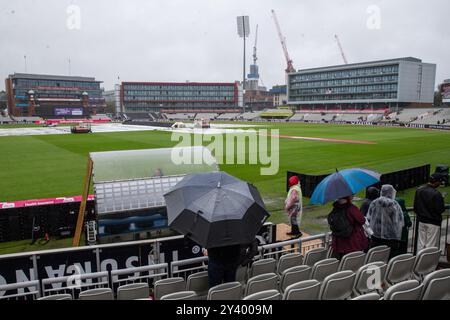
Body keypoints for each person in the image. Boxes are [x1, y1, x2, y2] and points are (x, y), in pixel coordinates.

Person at [367, 185, 404, 258]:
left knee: (375, 258)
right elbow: (399, 221)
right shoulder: (395, 204)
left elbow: (369, 217)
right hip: (391, 238)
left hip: (375, 237)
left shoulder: (374, 202)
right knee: (389, 259)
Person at [413, 174, 446, 252]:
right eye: (439, 182)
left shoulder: (419, 190)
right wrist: (441, 199)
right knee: (430, 246)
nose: (440, 184)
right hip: (433, 223)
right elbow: (440, 209)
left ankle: (419, 262)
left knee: (421, 244)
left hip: (421, 221)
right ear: (436, 182)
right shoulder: (437, 194)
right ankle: (427, 264)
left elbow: (415, 207)